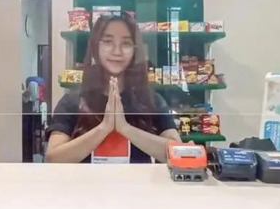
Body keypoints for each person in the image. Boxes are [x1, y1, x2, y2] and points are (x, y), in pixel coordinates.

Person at [46, 13, 181, 163]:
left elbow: (177, 152)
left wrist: (125, 128)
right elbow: (53, 158)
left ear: (135, 50)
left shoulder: (151, 100)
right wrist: (104, 127)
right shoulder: (73, 101)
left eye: (126, 43)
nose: (117, 51)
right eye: (108, 42)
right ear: (95, 47)